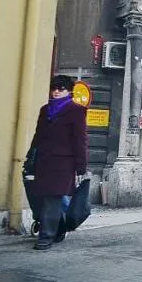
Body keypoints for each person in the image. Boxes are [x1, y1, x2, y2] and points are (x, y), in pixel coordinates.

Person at [28, 74, 87, 250]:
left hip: (63, 163)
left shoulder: (76, 110)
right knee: (43, 197)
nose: (56, 92)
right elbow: (38, 136)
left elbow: (80, 139)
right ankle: (58, 228)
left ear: (68, 91)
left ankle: (46, 237)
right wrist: (30, 157)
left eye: (60, 89)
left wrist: (81, 165)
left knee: (52, 199)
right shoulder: (45, 110)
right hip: (44, 161)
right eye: (54, 88)